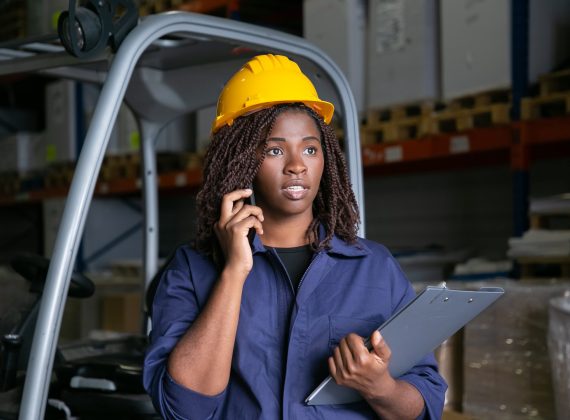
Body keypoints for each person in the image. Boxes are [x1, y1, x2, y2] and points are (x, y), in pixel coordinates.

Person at [143, 54, 447, 419]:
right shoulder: (192, 269)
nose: (297, 164)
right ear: (242, 162)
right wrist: (235, 272)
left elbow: (426, 405)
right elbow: (184, 409)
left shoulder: (375, 268)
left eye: (309, 148)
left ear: (325, 159)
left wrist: (380, 388)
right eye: (274, 150)